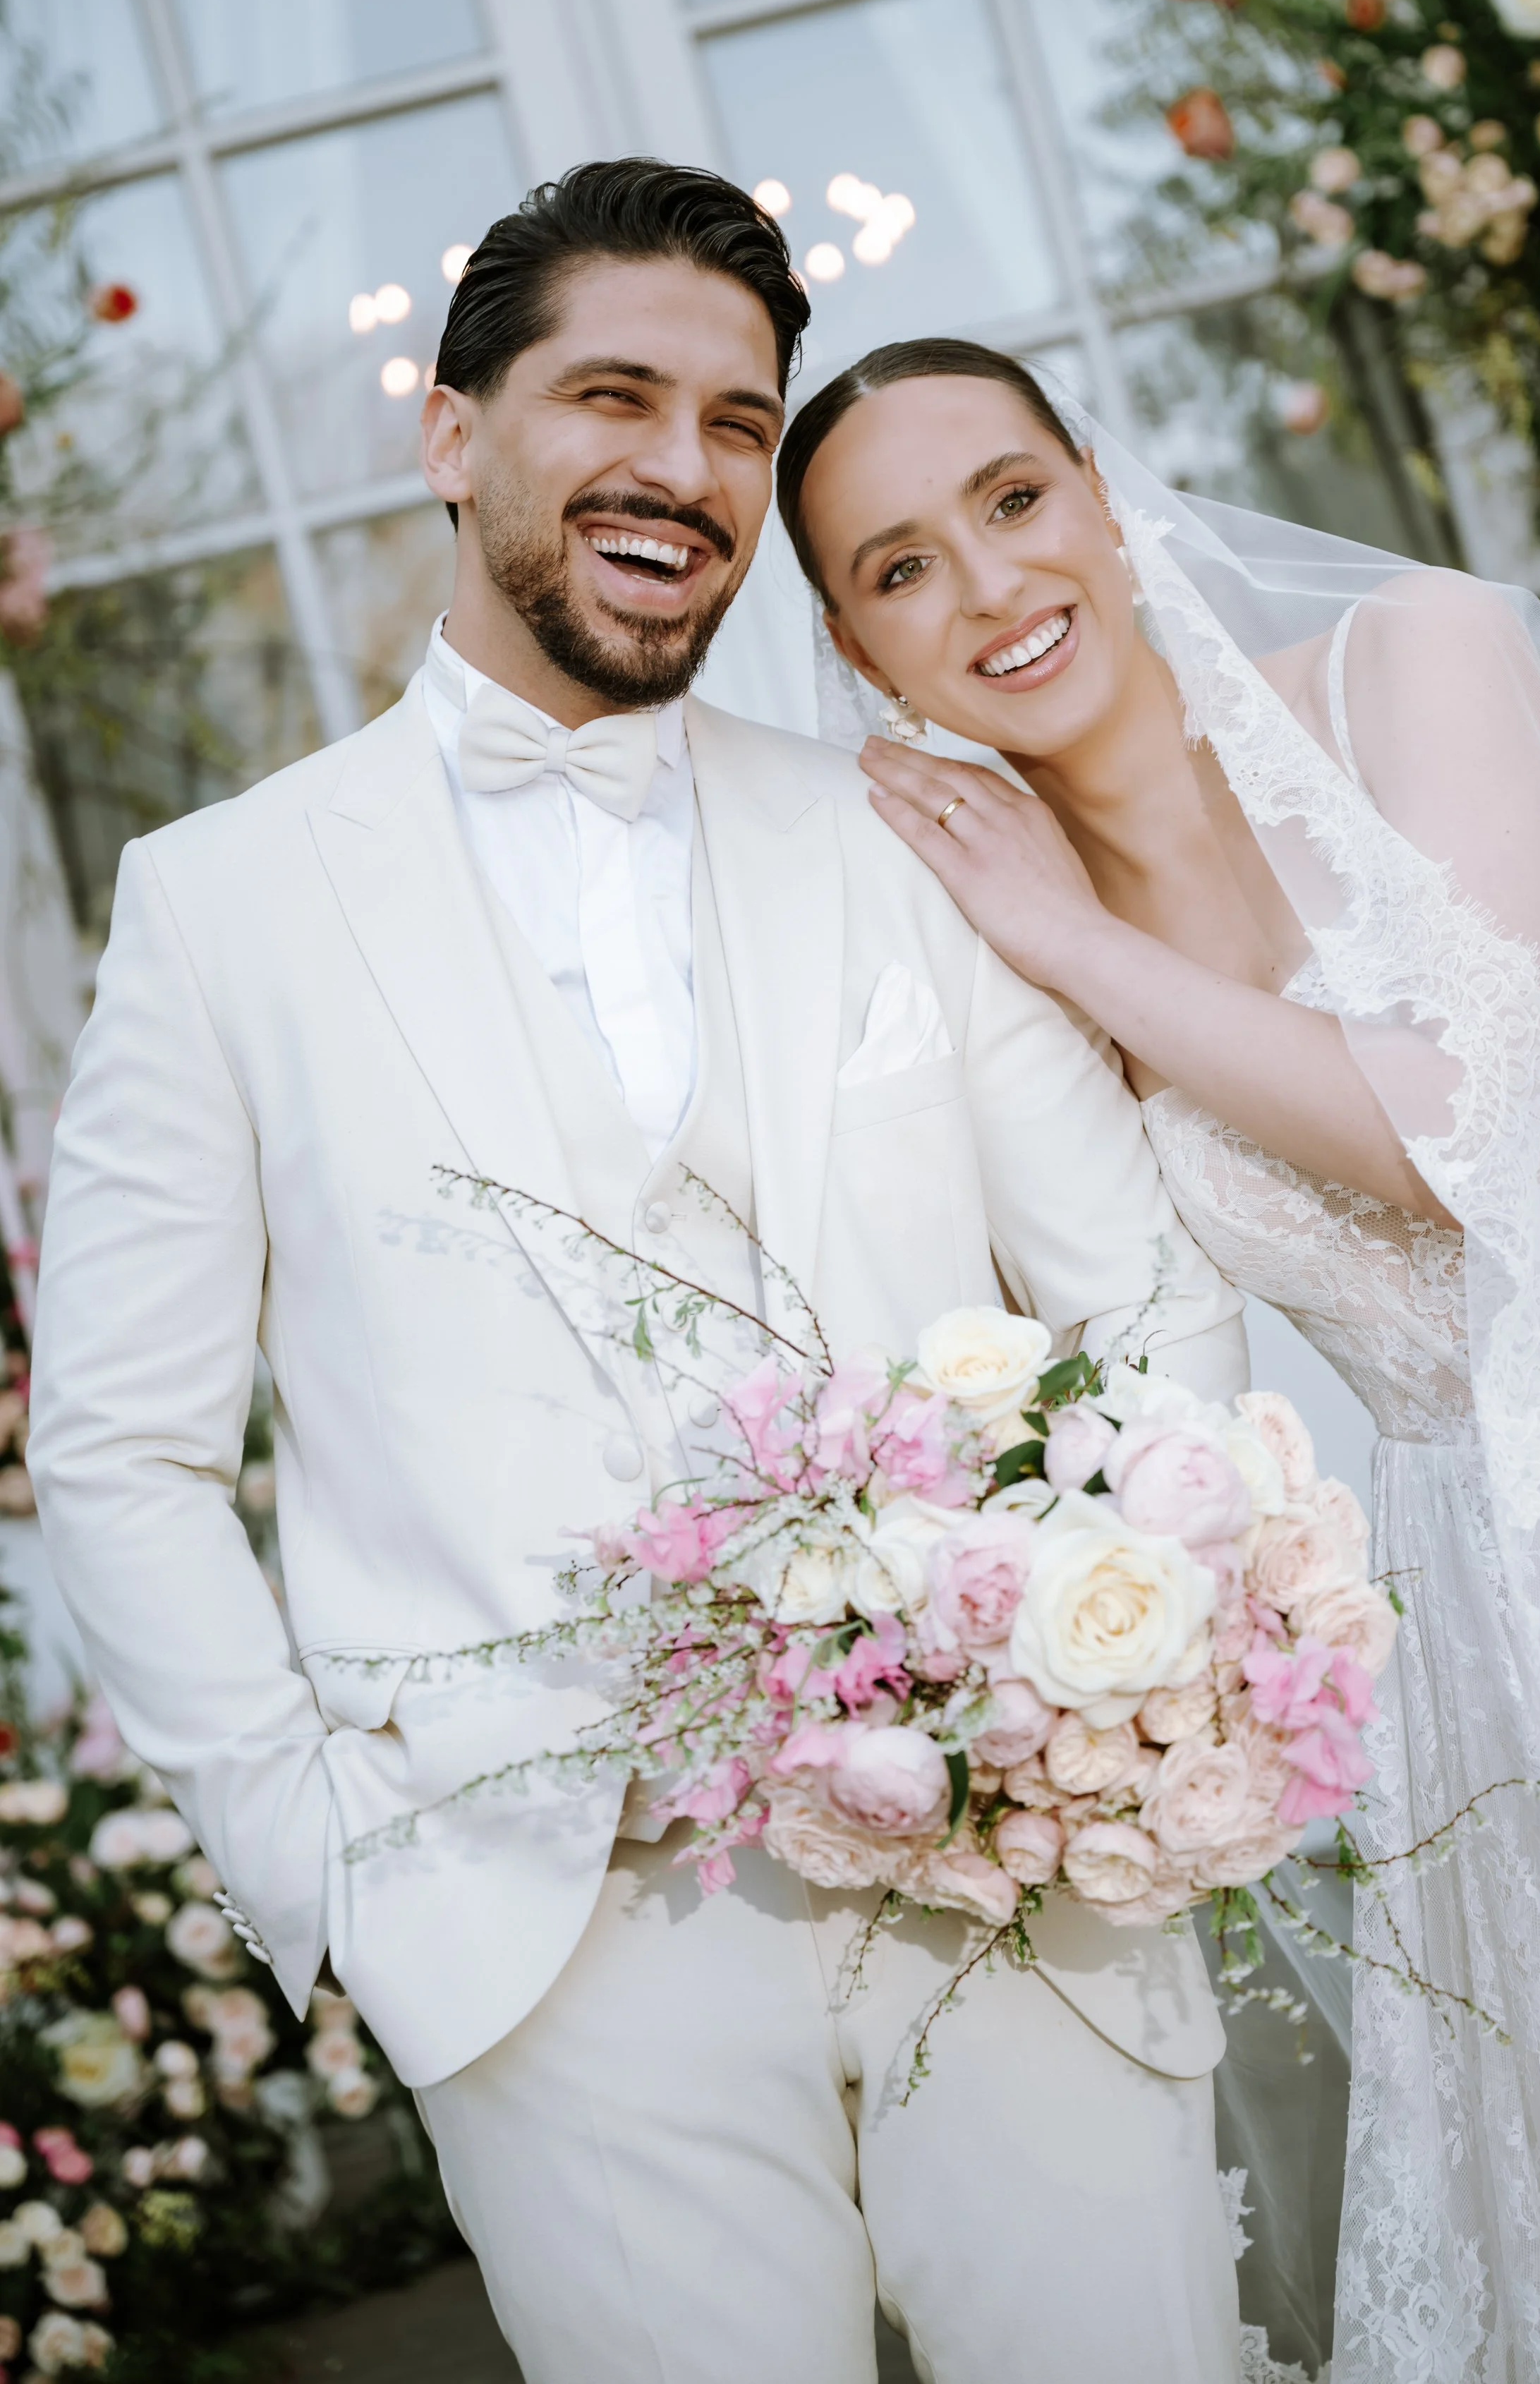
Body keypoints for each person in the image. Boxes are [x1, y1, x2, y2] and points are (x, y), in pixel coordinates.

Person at [25, 169, 1256, 2384]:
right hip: (543, 1927)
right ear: (451, 431)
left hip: (1013, 1861)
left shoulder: (906, 827)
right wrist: (331, 1863)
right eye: (614, 395)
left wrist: (1087, 1686)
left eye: (731, 421)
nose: (680, 468)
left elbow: (1142, 1298)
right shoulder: (218, 911)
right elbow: (116, 1452)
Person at [775, 335, 1540, 2382]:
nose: (985, 586)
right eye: (896, 569)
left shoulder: (1422, 656)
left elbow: (1464, 1129)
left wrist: (1078, 942)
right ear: (861, 655)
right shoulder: (974, 934)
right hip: (1484, 1577)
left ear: (1106, 489)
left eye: (1011, 500)